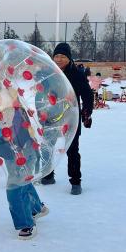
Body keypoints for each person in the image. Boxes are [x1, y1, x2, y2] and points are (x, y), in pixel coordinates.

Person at [0, 64, 48, 239]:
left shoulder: (4, 97)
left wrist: (29, 141)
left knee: (14, 185)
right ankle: (37, 207)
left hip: (21, 147)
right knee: (22, 178)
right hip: (8, 150)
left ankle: (26, 223)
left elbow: (19, 121)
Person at [40, 43, 93, 195]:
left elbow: (88, 95)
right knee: (47, 146)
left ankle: (76, 181)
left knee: (72, 150)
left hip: (71, 118)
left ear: (69, 58)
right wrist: (40, 110)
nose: (59, 59)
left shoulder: (76, 74)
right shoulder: (48, 73)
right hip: (51, 117)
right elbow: (41, 93)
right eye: (56, 56)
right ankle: (48, 175)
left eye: (63, 56)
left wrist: (86, 113)